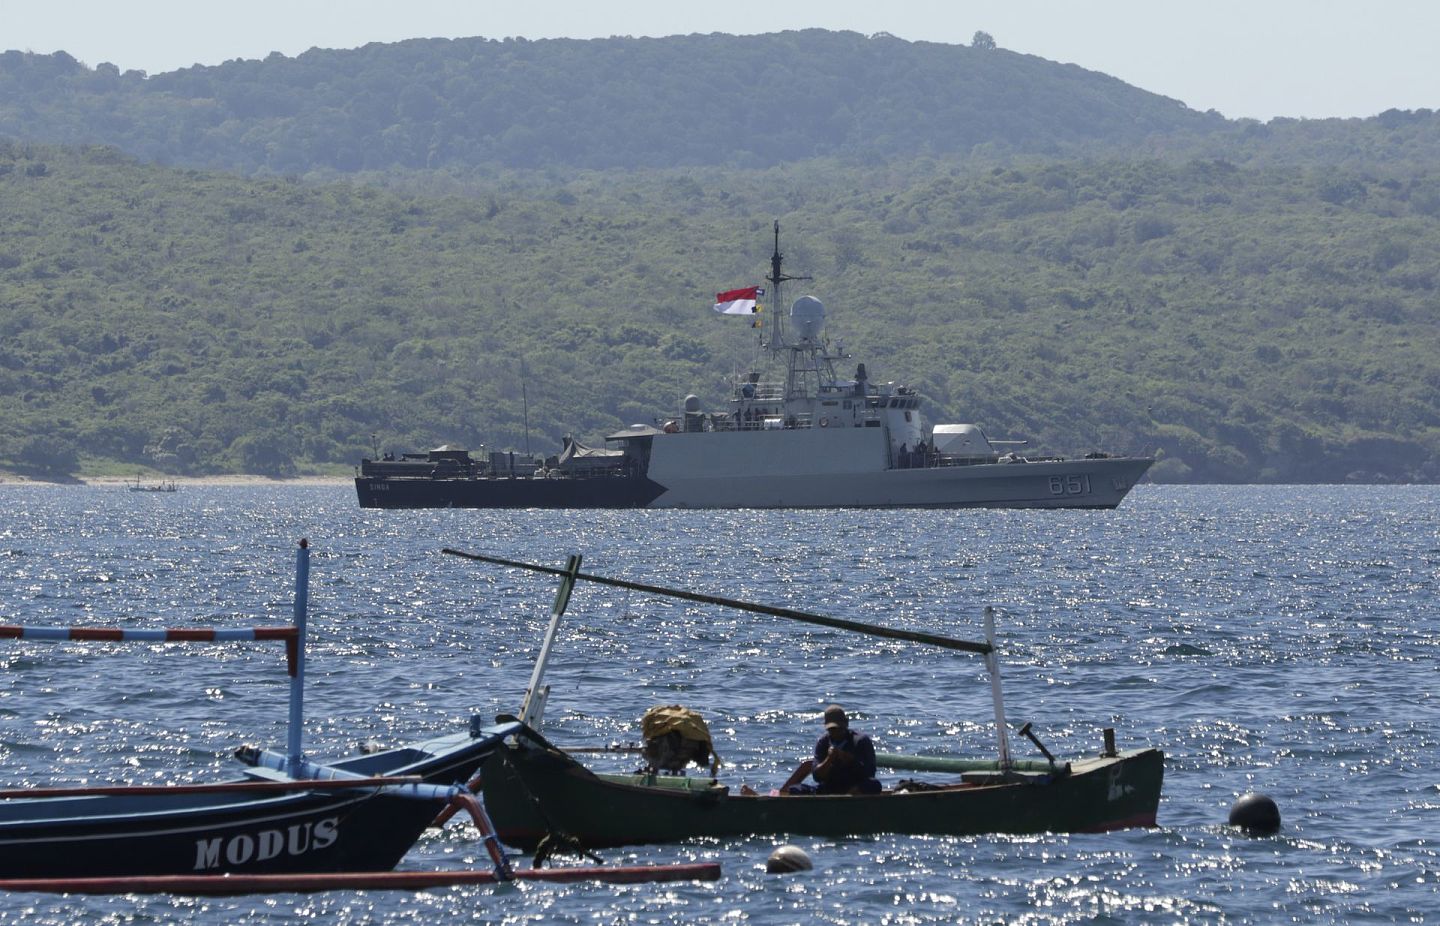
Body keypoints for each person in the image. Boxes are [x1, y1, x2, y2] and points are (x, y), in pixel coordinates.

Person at [780, 704, 881, 795]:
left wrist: (851, 761)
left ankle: (848, 800)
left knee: (874, 785)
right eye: (832, 730)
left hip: (854, 786)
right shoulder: (823, 742)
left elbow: (870, 772)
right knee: (795, 789)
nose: (836, 733)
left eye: (839, 729)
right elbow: (817, 777)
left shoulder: (860, 741)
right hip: (830, 787)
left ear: (846, 724)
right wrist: (829, 759)